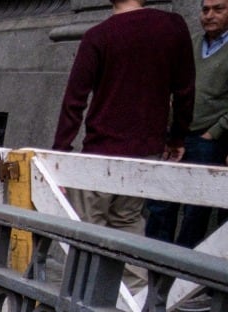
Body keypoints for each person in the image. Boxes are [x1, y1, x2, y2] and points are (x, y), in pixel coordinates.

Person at [53, 0, 193, 243]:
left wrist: (60, 155)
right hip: (145, 151)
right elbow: (185, 91)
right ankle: (135, 283)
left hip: (101, 152)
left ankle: (91, 282)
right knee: (128, 224)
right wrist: (177, 137)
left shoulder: (98, 36)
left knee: (86, 235)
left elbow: (74, 101)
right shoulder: (173, 26)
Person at [147, 0, 228, 247]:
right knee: (160, 204)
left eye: (218, 9)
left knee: (196, 211)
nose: (209, 15)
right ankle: (156, 266)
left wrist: (214, 132)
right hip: (176, 137)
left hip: (208, 140)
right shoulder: (190, 43)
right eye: (205, 10)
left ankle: (182, 276)